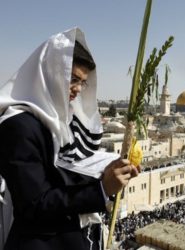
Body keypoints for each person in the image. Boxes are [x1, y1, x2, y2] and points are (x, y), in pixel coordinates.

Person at [0, 27, 138, 250]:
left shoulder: (59, 120)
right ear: (50, 73)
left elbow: (63, 172)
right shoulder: (19, 126)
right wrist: (101, 189)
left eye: (82, 82)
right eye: (73, 79)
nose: (77, 89)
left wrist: (108, 170)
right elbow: (35, 204)